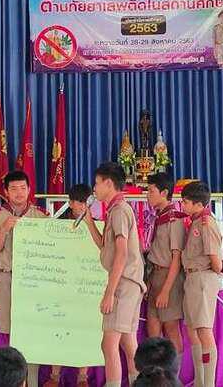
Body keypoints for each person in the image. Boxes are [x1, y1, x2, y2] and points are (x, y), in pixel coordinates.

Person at [81, 162, 146, 387]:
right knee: (128, 343)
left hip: (123, 283)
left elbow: (121, 253)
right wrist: (90, 224)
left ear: (109, 183)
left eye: (97, 183)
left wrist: (109, 293)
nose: (94, 188)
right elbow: (105, 246)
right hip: (129, 282)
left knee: (109, 344)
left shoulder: (119, 211)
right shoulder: (115, 210)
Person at [0, 170, 50, 385]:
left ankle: (32, 382)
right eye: (13, 188)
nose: (19, 192)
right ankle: (14, 382)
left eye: (23, 188)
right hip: (8, 278)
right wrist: (4, 229)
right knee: (12, 332)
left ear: (29, 190)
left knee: (33, 331)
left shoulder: (41, 216)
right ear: (6, 192)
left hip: (34, 281)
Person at [44, 183, 93, 387]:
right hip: (61, 284)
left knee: (84, 329)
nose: (82, 206)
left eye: (86, 202)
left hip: (86, 285)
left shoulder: (97, 224)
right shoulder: (58, 224)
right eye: (78, 202)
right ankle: (55, 376)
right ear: (70, 203)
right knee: (59, 328)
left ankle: (83, 377)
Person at [179, 181, 222, 387]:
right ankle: (200, 380)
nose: (183, 205)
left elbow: (216, 263)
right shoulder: (195, 222)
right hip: (192, 278)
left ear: (198, 204)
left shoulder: (206, 223)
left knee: (204, 331)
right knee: (193, 329)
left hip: (203, 278)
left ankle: (209, 383)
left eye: (186, 202)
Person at [144, 173, 186, 356]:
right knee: (152, 329)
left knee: (171, 328)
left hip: (169, 278)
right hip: (155, 276)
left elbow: (176, 259)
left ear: (164, 193)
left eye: (151, 191)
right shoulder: (159, 217)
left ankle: (174, 372)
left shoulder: (174, 220)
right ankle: (156, 371)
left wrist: (166, 291)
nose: (147, 195)